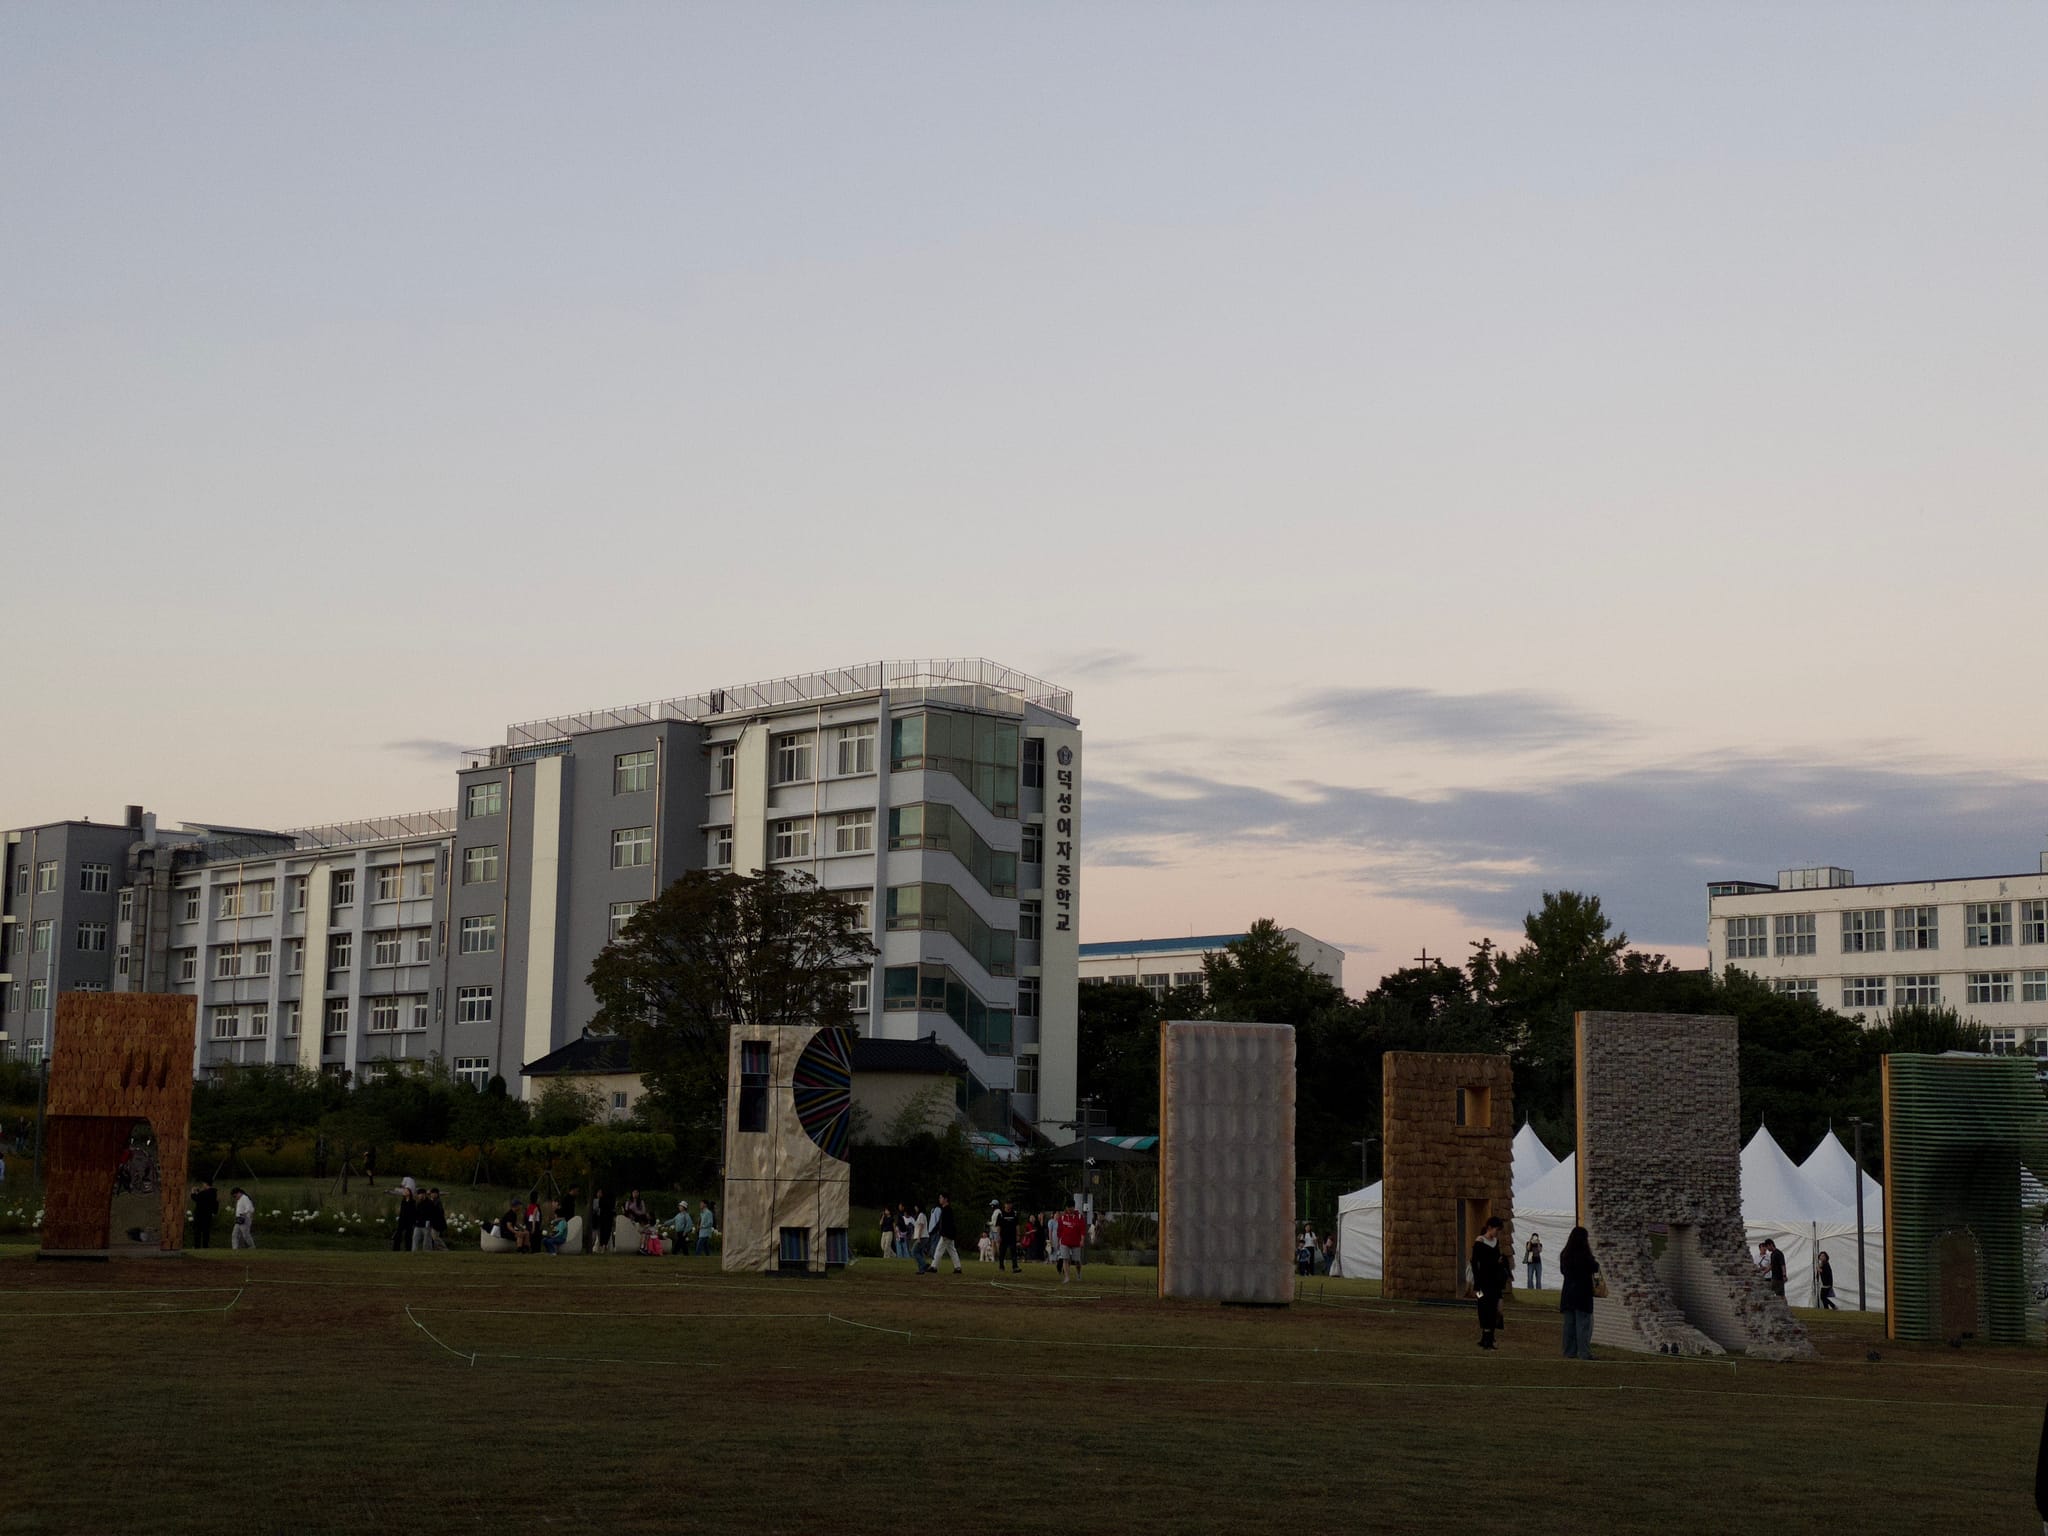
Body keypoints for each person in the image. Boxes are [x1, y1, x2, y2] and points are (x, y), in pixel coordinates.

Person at [1557, 1225, 1599, 1360]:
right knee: (1583, 1325)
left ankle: (1569, 1351)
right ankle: (1584, 1352)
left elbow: (1563, 1271)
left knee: (1569, 1325)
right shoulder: (1585, 1255)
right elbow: (1594, 1267)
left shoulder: (1565, 1254)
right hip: (1582, 1293)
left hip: (1568, 1293)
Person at [1471, 1215, 1512, 1349]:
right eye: (1496, 1229)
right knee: (1483, 1307)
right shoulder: (1479, 1242)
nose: (1497, 1232)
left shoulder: (1495, 1242)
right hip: (1481, 1283)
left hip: (1494, 1282)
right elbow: (1475, 1263)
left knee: (1496, 1308)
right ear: (1489, 1227)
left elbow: (1496, 1259)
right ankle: (1486, 1337)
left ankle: (1490, 1337)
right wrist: (1476, 1284)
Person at [928, 1194, 962, 1275]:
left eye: (941, 1198)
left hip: (946, 1234)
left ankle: (934, 1267)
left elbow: (947, 1224)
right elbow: (940, 1223)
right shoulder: (945, 1209)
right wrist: (932, 1231)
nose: (939, 1199)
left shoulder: (947, 1210)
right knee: (952, 1250)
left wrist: (944, 1234)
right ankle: (958, 1267)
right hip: (949, 1234)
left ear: (945, 1199)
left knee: (939, 1249)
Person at [1054, 1206, 1087, 1284]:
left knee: (1077, 1261)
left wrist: (1082, 1240)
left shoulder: (1079, 1217)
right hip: (1064, 1242)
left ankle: (1078, 1273)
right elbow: (1059, 1231)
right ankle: (1067, 1277)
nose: (1068, 1210)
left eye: (1070, 1208)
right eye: (1067, 1208)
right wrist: (1059, 1241)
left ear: (1073, 1207)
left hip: (1076, 1242)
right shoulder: (1062, 1218)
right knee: (1065, 1259)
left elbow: (1082, 1230)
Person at [189, 1179, 219, 1250]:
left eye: (203, 1184)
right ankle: (205, 1246)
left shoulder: (205, 1193)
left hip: (200, 1215)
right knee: (206, 1231)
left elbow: (196, 1198)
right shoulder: (213, 1193)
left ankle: (197, 1246)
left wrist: (193, 1192)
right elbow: (212, 1201)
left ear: (206, 1184)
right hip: (208, 1215)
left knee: (197, 1231)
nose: (203, 1186)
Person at [996, 1200, 1021, 1272]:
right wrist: (998, 1236)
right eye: (1007, 1204)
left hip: (1012, 1236)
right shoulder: (1001, 1214)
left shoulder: (1014, 1213)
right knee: (1002, 1252)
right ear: (1005, 1205)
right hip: (1003, 1236)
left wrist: (1018, 1234)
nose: (1009, 1205)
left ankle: (1015, 1267)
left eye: (1010, 1204)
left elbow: (1017, 1225)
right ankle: (1001, 1266)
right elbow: (998, 1226)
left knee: (1013, 1251)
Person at [393, 1187, 418, 1252]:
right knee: (398, 1234)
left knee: (408, 1236)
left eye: (406, 1191)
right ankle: (396, 1249)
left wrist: (413, 1221)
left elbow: (414, 1212)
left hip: (409, 1221)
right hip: (402, 1220)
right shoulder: (403, 1201)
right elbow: (401, 1211)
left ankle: (408, 1249)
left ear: (409, 1193)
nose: (405, 1192)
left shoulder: (413, 1202)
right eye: (404, 1191)